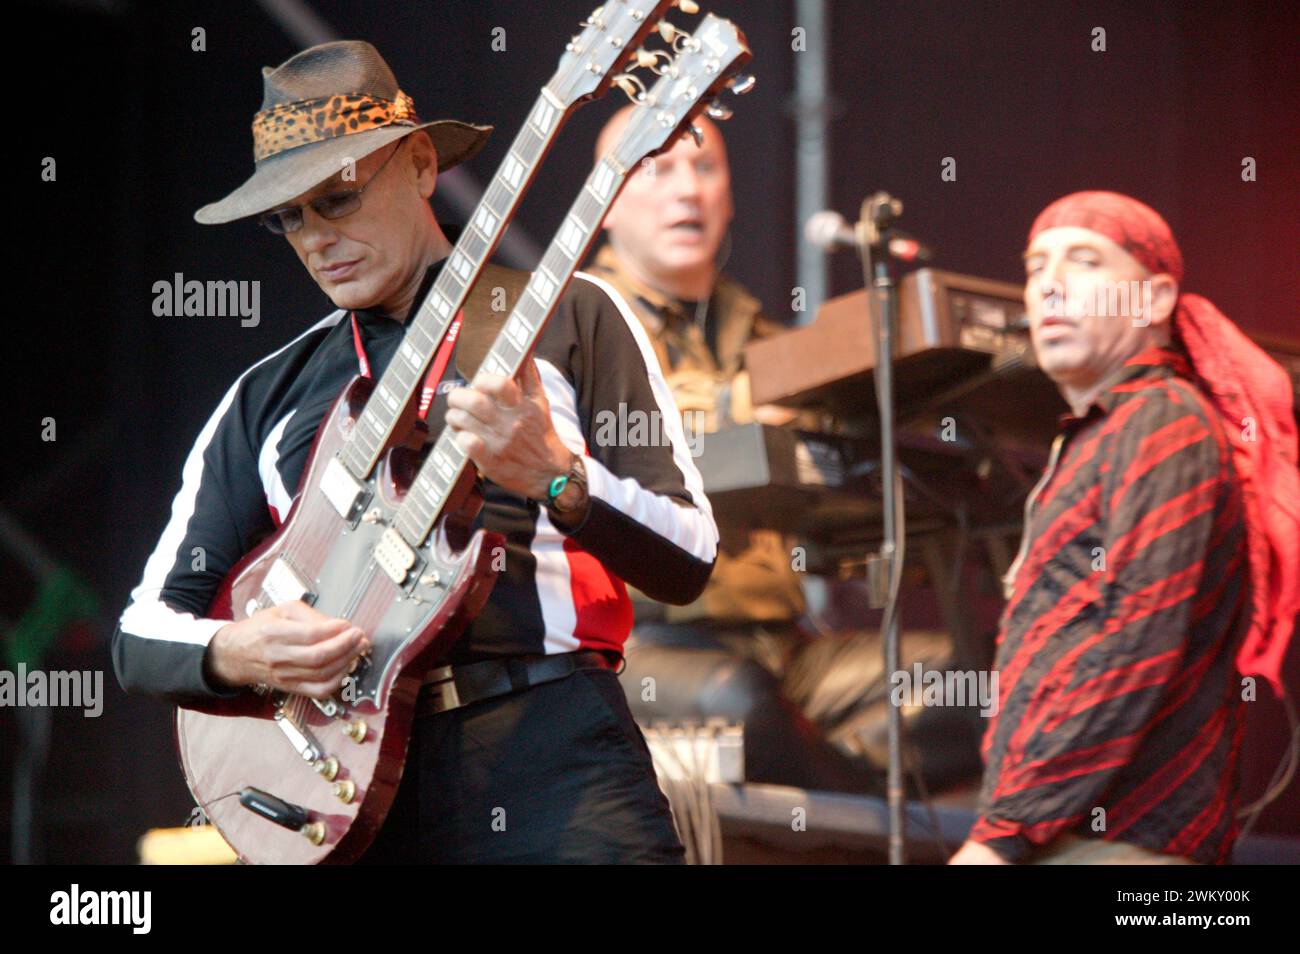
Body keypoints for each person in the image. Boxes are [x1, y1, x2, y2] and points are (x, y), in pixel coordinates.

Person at [111, 40, 720, 864]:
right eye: (289, 217)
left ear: (422, 163)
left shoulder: (567, 313)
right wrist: (235, 650)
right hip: (346, 793)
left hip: (550, 754)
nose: (315, 237)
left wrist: (557, 478)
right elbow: (142, 632)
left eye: (339, 197)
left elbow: (690, 556)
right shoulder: (265, 395)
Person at [949, 191, 1299, 864]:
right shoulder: (1106, 432)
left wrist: (1004, 833)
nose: (1049, 283)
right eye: (1035, 266)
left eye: (1084, 261)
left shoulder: (1162, 424)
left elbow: (1134, 646)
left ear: (1153, 299)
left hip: (1126, 846)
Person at [586, 105, 880, 793]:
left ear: (729, 197)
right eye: (657, 168)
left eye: (705, 166)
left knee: (964, 685)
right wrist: (743, 410)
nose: (687, 188)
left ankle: (850, 805)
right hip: (644, 649)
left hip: (787, 646)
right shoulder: (577, 323)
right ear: (604, 202)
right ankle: (857, 809)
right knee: (744, 705)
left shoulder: (767, 335)